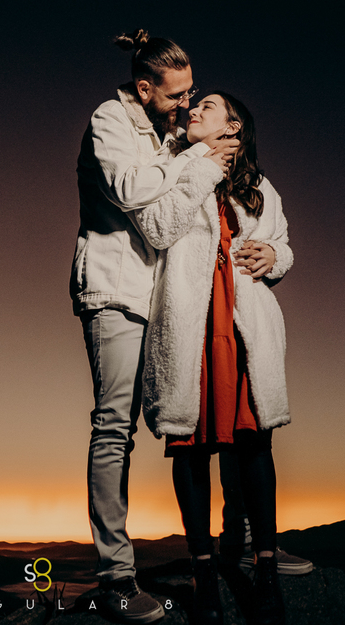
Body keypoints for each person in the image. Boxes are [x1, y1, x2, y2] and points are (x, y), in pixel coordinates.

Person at [70, 30, 238, 623]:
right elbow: (129, 190)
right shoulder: (110, 119)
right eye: (177, 95)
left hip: (161, 298)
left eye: (193, 94)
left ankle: (236, 546)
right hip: (114, 291)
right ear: (144, 88)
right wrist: (193, 158)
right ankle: (116, 577)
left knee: (185, 419)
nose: (186, 105)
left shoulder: (164, 131)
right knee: (113, 426)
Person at [132, 92, 296, 625]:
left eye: (208, 105)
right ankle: (204, 573)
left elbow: (283, 244)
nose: (194, 109)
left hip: (243, 322)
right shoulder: (175, 163)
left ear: (235, 126)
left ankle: (265, 570)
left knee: (253, 441)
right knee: (191, 444)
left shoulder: (261, 185)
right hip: (191, 319)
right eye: (193, 105)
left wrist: (274, 256)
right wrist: (201, 165)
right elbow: (156, 228)